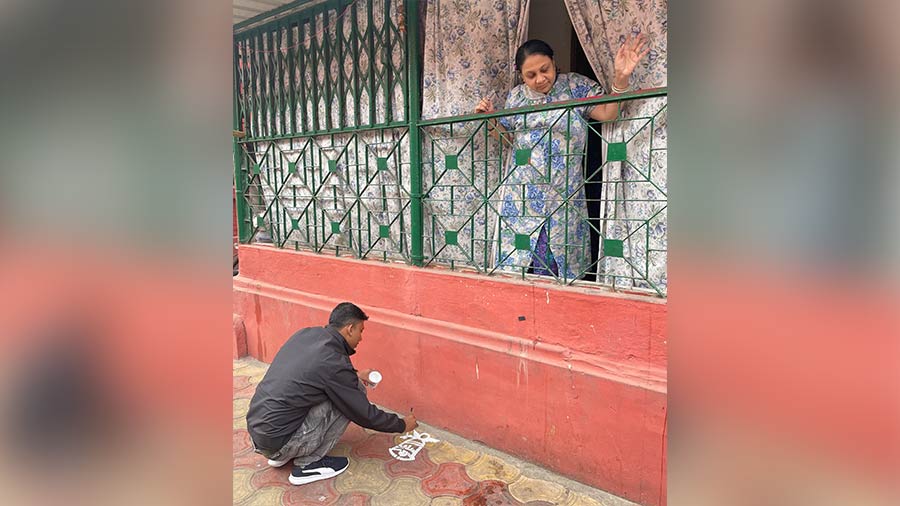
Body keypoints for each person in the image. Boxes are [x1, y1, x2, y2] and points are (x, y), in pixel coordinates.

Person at [475, 37, 649, 280]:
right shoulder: (516, 97)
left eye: (544, 69)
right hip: (521, 197)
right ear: (521, 75)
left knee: (562, 271)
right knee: (521, 269)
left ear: (554, 62)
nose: (540, 79)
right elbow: (508, 140)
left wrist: (621, 77)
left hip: (564, 194)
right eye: (531, 75)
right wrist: (491, 119)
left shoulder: (576, 87)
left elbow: (609, 114)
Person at [246, 302, 418, 486]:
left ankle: (280, 452)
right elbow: (364, 414)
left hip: (260, 433)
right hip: (279, 441)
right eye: (361, 330)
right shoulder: (333, 361)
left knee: (343, 390)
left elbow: (317, 374)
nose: (361, 338)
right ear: (349, 329)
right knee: (352, 395)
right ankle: (307, 464)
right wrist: (401, 425)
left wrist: (356, 375)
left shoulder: (306, 335)